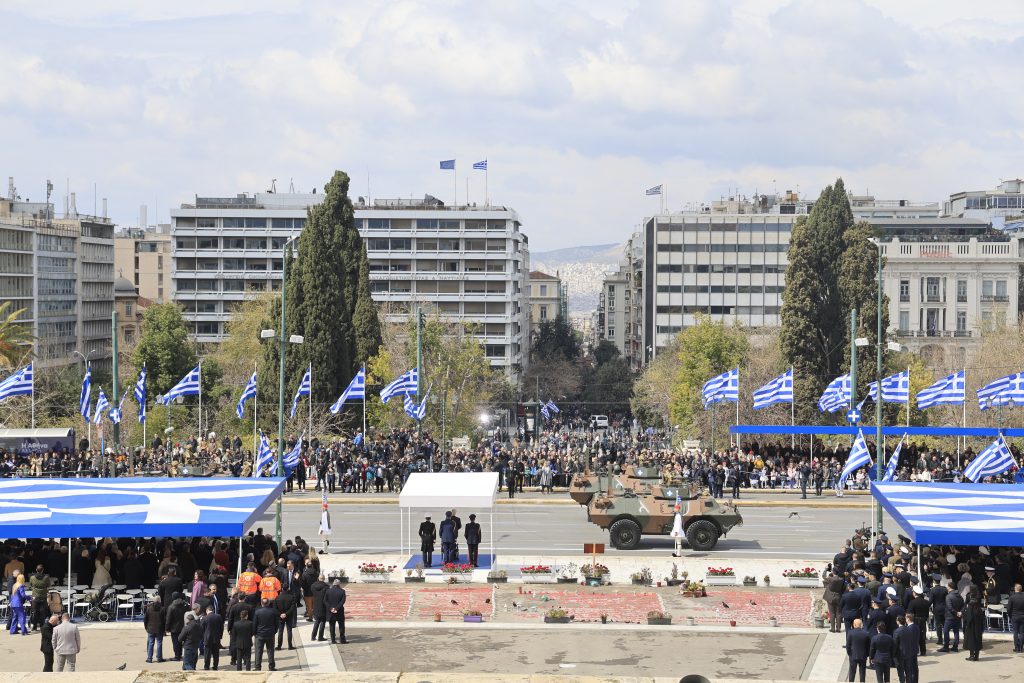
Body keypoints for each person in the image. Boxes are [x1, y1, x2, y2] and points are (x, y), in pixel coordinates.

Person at [893, 614, 920, 683]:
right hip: (909, 653)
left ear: (898, 621)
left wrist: (893, 655)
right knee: (908, 672)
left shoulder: (897, 631)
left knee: (901, 673)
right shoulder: (908, 629)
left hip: (900, 655)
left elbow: (895, 644)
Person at [253, 598, 278, 671]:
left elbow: (255, 624)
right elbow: (276, 624)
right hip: (270, 634)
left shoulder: (257, 612)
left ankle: (258, 667)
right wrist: (274, 631)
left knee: (258, 651)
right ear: (268, 603)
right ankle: (271, 666)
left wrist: (254, 633)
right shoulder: (273, 612)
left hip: (259, 635)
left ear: (261, 603)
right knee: (270, 651)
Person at [940, 581, 964, 653]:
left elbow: (950, 607)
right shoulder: (959, 595)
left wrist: (956, 613)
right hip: (957, 617)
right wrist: (960, 612)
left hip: (950, 617)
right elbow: (963, 605)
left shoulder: (948, 596)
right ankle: (955, 646)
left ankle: (946, 646)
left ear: (949, 587)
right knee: (956, 631)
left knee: (945, 631)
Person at [845, 618, 870, 682]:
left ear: (854, 625)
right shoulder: (866, 633)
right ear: (861, 625)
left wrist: (850, 654)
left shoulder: (850, 633)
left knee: (852, 672)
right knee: (862, 672)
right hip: (863, 656)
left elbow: (848, 645)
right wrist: (866, 655)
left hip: (853, 655)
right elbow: (868, 646)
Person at [274, 582, 297, 650]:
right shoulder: (291, 597)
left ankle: (279, 646)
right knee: (289, 630)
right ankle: (290, 646)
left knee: (280, 631)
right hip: (289, 616)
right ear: (288, 589)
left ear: (282, 589)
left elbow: (275, 608)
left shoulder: (277, 597)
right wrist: (286, 614)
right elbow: (292, 608)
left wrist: (280, 614)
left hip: (280, 617)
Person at [323, 578, 347, 644]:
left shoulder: (328, 591)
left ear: (333, 584)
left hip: (330, 611)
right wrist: (336, 608)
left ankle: (333, 640)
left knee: (332, 626)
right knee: (341, 626)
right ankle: (342, 640)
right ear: (339, 584)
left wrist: (331, 608)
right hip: (339, 611)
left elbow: (325, 601)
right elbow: (342, 601)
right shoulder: (342, 591)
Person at [165, 592, 187, 661]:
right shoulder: (184, 605)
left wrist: (167, 628)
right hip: (183, 627)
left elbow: (168, 619)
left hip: (174, 628)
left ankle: (177, 656)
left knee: (175, 642)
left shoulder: (171, 607)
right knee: (181, 641)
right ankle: (180, 655)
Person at [28, 565, 51, 632]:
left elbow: (31, 585)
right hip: (43, 596)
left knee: (34, 612)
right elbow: (48, 585)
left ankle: (34, 626)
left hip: (35, 596)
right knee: (42, 611)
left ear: (36, 570)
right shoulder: (46, 577)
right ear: (42, 570)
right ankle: (42, 626)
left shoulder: (32, 577)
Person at [144, 596, 165, 663]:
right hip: (159, 628)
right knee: (159, 643)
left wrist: (146, 627)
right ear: (160, 601)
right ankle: (159, 658)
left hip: (150, 628)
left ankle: (149, 658)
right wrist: (164, 628)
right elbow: (164, 620)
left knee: (151, 643)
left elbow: (145, 619)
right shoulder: (163, 609)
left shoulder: (149, 608)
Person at [202, 604, 224, 670]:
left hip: (207, 638)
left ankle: (206, 666)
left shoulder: (204, 618)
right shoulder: (218, 616)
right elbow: (221, 628)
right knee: (216, 653)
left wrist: (203, 637)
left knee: (207, 654)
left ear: (207, 610)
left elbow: (201, 629)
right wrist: (220, 636)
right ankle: (215, 666)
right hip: (216, 638)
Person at [963, 597, 984, 661]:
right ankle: (976, 656)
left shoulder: (969, 608)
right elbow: (982, 619)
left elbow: (968, 618)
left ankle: (971, 656)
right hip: (978, 628)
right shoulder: (979, 609)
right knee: (977, 641)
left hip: (971, 628)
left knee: (971, 642)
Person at [310, 574, 328, 641]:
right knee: (322, 622)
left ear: (318, 578)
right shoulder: (326, 587)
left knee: (317, 621)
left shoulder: (313, 586)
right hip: (323, 606)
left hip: (316, 605)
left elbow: (312, 593)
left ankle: (313, 636)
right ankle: (320, 637)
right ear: (324, 579)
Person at [1008, 583, 1024, 653]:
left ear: (1015, 589)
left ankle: (1016, 648)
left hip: (1014, 616)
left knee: (1015, 632)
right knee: (1022, 633)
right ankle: (1021, 647)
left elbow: (1008, 609)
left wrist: (1010, 615)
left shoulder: (1012, 597)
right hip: (1022, 616)